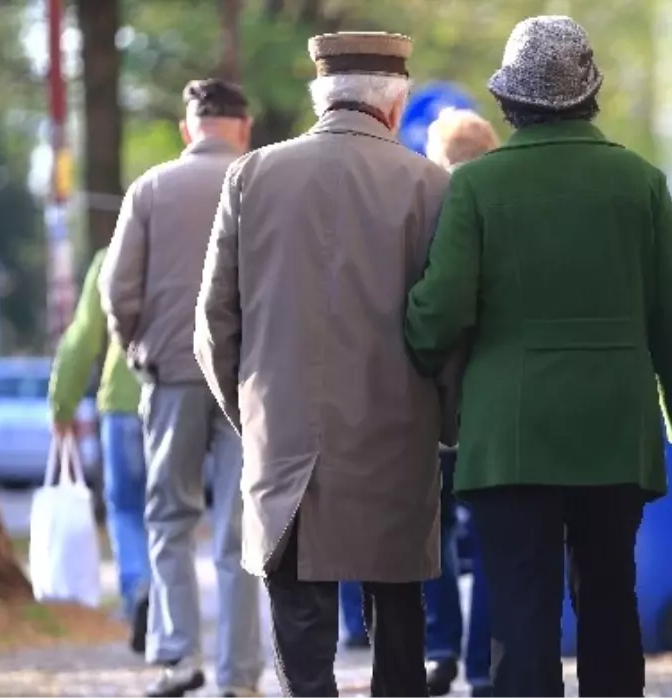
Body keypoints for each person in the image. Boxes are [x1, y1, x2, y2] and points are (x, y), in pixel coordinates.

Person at [404, 16, 672, 698]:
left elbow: (444, 308)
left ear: (512, 99)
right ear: (589, 92)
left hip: (510, 438)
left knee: (521, 613)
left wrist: (411, 349)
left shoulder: (478, 186)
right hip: (614, 431)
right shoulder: (638, 182)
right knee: (609, 601)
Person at [193, 32, 454, 698]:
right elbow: (451, 323)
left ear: (322, 96)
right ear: (395, 107)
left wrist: (253, 412)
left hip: (286, 446)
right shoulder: (433, 186)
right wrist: (447, 421)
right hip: (397, 440)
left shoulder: (251, 175)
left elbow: (214, 324)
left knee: (303, 647)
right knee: (399, 628)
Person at [99, 78, 263, 698]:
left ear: (185, 127)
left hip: (171, 372)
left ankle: (178, 657)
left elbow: (117, 289)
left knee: (169, 517)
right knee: (241, 528)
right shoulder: (260, 181)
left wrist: (137, 344)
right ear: (243, 127)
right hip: (248, 381)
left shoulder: (151, 189)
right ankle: (240, 676)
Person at [420, 108, 498, 698]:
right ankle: (482, 666)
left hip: (429, 403)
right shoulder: (506, 209)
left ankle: (441, 645)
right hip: (495, 402)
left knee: (433, 530)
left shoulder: (423, 210)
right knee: (497, 534)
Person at [49, 247, 151, 655]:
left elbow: (83, 335)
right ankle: (170, 611)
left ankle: (138, 588)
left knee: (125, 508)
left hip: (121, 405)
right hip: (171, 400)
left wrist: (61, 404)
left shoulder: (108, 259)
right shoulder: (187, 249)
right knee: (169, 512)